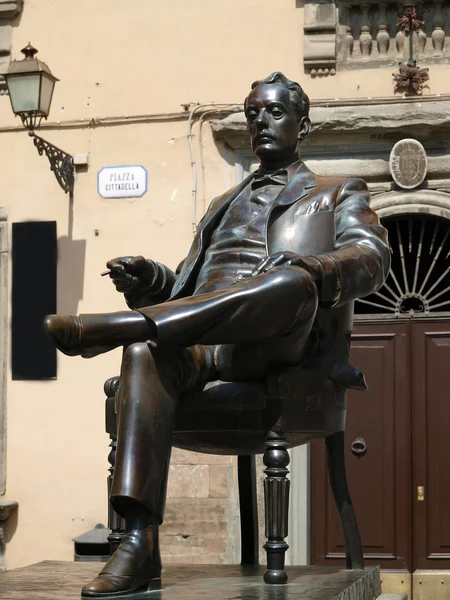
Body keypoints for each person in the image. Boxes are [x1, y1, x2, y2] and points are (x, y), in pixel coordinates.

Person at [45, 72, 389, 598]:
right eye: (252, 113)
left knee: (289, 281)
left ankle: (115, 329)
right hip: (206, 339)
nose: (260, 123)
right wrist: (152, 281)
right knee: (143, 352)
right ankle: (139, 542)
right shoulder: (220, 204)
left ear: (303, 124)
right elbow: (192, 284)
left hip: (273, 345)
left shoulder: (336, 192)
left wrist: (315, 270)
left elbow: (370, 256)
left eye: (274, 112)